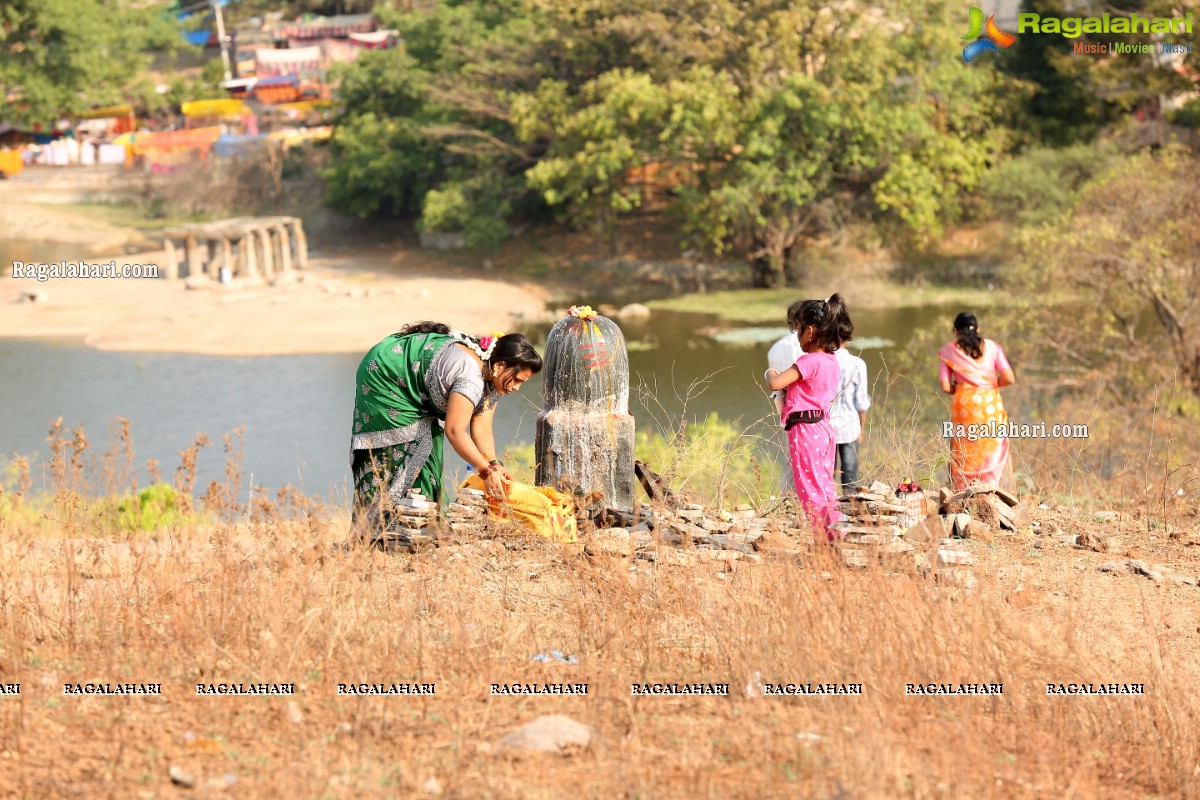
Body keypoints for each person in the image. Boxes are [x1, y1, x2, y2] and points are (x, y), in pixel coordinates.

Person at [349, 321, 542, 535]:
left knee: (426, 448)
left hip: (409, 379)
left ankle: (416, 533)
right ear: (499, 366)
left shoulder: (493, 376)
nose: (517, 387)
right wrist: (486, 472)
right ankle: (372, 535)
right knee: (404, 449)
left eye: (522, 382)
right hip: (386, 376)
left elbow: (481, 425)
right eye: (516, 379)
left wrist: (494, 463)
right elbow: (455, 431)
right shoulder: (470, 378)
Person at [764, 294, 854, 535]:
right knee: (826, 488)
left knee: (810, 491)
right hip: (824, 428)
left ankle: (825, 543)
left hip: (805, 431)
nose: (798, 336)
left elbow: (775, 384)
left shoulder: (807, 361)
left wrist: (770, 373)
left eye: (800, 330)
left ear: (811, 332)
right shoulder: (832, 361)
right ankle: (837, 534)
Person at [938, 312, 1015, 490]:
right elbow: (1009, 378)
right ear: (978, 329)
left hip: (964, 405)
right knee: (992, 444)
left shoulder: (949, 350)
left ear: (954, 330)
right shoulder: (993, 347)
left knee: (965, 447)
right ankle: (991, 488)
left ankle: (962, 490)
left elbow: (944, 386)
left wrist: (960, 388)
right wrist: (992, 384)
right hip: (989, 404)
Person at [831, 340, 871, 492]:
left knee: (827, 477)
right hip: (850, 427)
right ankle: (849, 514)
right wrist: (861, 430)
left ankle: (828, 513)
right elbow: (861, 403)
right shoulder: (857, 363)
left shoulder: (822, 362)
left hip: (825, 428)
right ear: (847, 338)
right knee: (850, 479)